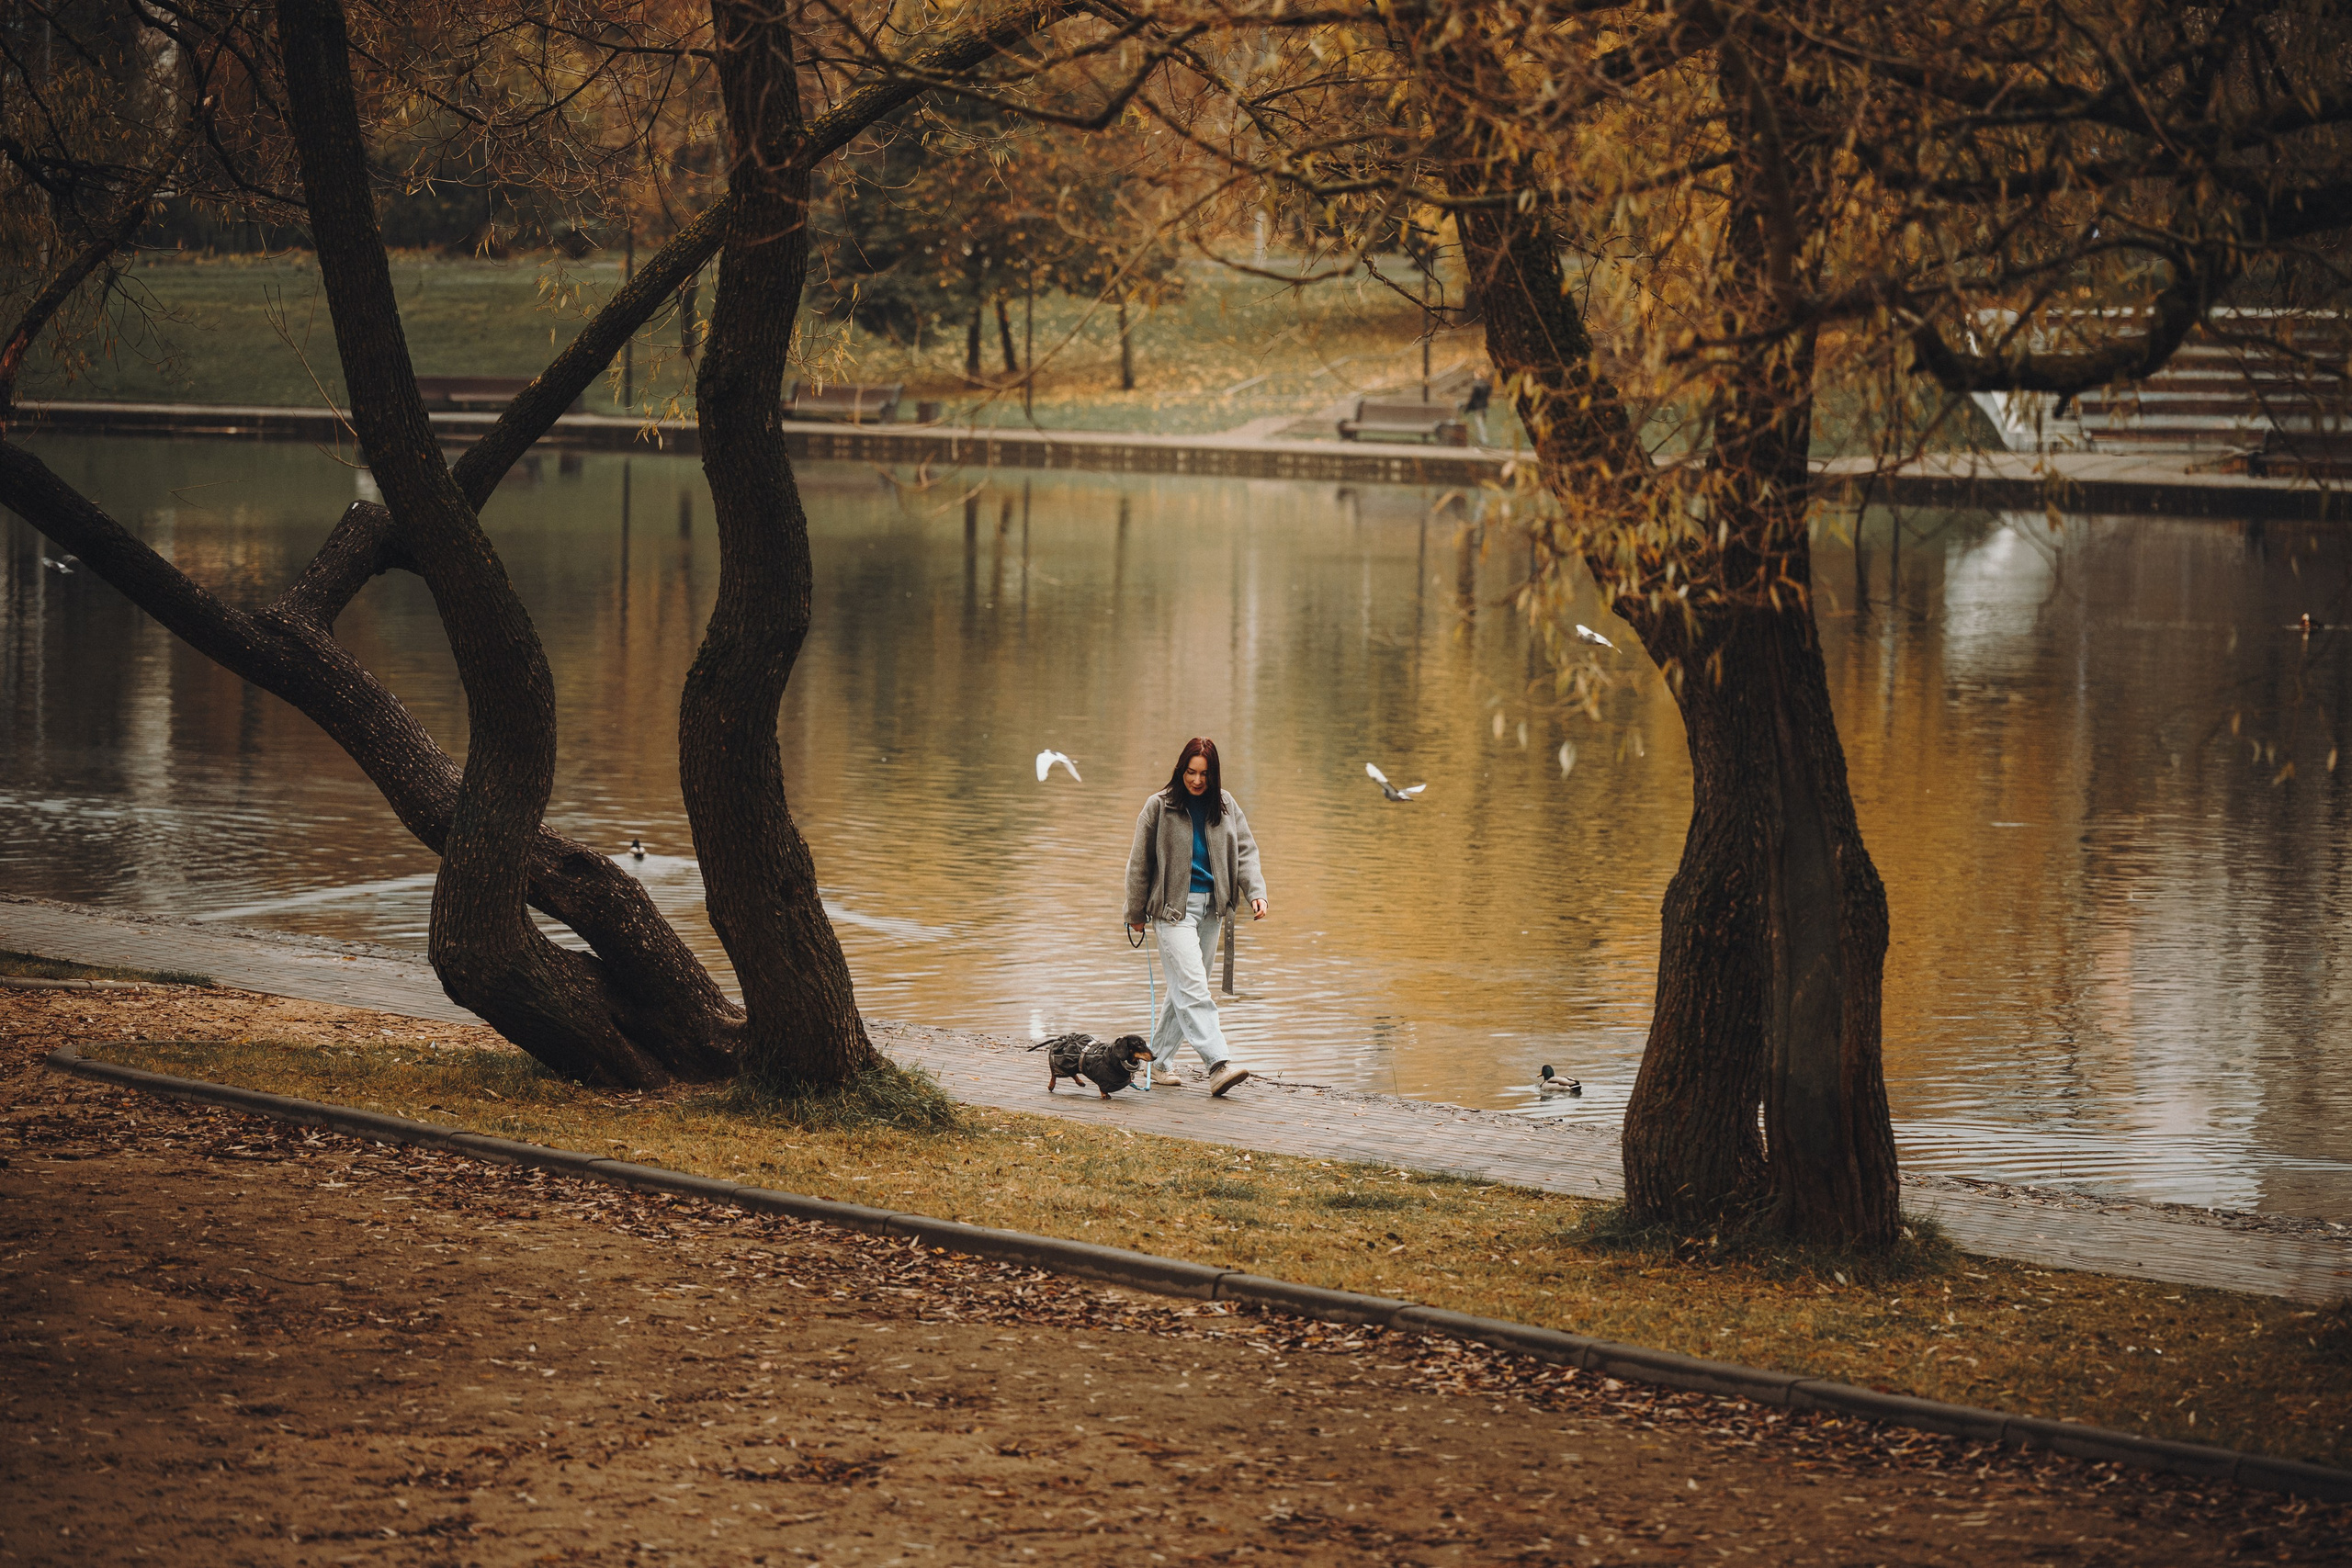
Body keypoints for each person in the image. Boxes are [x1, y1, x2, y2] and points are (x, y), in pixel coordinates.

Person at [1123, 737, 1266, 1097]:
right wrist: (1135, 911)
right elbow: (1139, 862)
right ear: (1181, 770)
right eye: (1191, 772)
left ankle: (1157, 1062)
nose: (1197, 780)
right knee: (1193, 987)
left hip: (1213, 911)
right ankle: (1218, 1064)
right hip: (1173, 911)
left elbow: (1246, 851)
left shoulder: (1226, 805)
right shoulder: (1159, 806)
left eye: (1204, 774)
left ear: (1213, 774)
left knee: (1184, 989)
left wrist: (1256, 892)